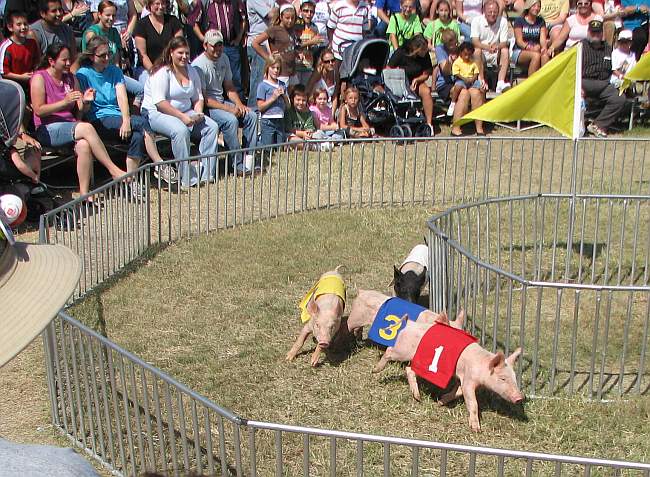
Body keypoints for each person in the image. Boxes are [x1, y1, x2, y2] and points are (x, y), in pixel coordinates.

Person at [76, 36, 177, 196]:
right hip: (98, 118)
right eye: (102, 55)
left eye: (109, 54)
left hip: (117, 116)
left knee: (137, 135)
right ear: (91, 56)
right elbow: (83, 107)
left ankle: (130, 181)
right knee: (142, 123)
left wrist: (126, 119)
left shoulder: (114, 71)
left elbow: (122, 96)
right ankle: (159, 163)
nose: (107, 58)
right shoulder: (83, 74)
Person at [30, 43, 129, 203]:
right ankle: (113, 169)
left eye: (70, 60)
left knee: (83, 145)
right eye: (64, 60)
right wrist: (64, 102)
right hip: (48, 129)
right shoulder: (40, 78)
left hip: (71, 126)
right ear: (51, 61)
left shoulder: (71, 78)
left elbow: (79, 111)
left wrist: (86, 101)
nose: (69, 64)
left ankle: (84, 193)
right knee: (86, 128)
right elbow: (39, 110)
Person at [141, 36, 219, 188]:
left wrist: (198, 113)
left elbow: (198, 97)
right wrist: (183, 117)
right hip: (158, 113)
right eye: (180, 53)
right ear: (171, 52)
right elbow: (160, 102)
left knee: (212, 127)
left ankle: (206, 174)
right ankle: (187, 178)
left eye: (187, 53)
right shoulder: (162, 72)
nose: (184, 57)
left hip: (186, 111)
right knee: (181, 131)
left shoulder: (192, 71)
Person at [191, 29, 258, 174]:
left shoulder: (225, 58)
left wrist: (240, 105)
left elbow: (229, 86)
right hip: (207, 107)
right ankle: (236, 164)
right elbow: (204, 99)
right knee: (230, 121)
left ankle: (249, 159)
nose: (218, 48)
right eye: (214, 45)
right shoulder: (198, 65)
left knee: (251, 116)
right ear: (205, 46)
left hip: (221, 101)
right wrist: (229, 109)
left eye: (220, 45)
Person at [81, 0, 143, 104]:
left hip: (112, 73)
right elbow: (90, 61)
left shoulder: (114, 32)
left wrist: (117, 77)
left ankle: (133, 112)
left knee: (140, 89)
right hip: (97, 75)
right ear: (99, 15)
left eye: (113, 16)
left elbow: (116, 60)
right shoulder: (92, 34)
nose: (111, 19)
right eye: (107, 15)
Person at [187, 0, 247, 96]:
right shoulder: (204, 2)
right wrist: (203, 39)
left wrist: (238, 38)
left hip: (230, 45)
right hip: (212, 47)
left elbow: (243, 19)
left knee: (235, 80)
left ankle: (239, 104)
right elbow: (193, 22)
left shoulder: (234, 2)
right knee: (214, 80)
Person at [581, 19, 627, 137]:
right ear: (588, 32)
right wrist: (577, 85)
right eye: (593, 32)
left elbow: (613, 68)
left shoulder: (608, 48)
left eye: (598, 32)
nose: (595, 35)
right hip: (584, 83)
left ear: (602, 33)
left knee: (619, 98)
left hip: (604, 84)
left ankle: (598, 125)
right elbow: (571, 69)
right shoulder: (580, 47)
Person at [387, 34, 435, 133]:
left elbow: (426, 73)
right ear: (416, 49)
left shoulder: (424, 56)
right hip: (399, 82)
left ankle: (429, 124)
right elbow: (388, 69)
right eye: (423, 49)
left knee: (426, 91)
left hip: (416, 81)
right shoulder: (401, 52)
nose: (426, 52)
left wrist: (417, 80)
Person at [133, 0, 183, 83]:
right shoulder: (141, 25)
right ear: (150, 5)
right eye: (157, 4)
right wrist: (156, 73)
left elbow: (180, 47)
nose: (160, 7)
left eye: (163, 3)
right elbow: (143, 55)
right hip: (148, 68)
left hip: (171, 66)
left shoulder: (173, 21)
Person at [252, 3, 299, 85]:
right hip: (281, 71)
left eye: (292, 18)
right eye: (287, 18)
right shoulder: (275, 30)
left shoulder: (292, 30)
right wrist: (268, 58)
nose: (290, 21)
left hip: (291, 70)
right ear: (281, 17)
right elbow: (255, 43)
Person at [470, 0, 511, 93]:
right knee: (477, 51)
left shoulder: (503, 21)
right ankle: (481, 80)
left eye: (495, 12)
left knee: (505, 50)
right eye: (490, 12)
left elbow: (504, 42)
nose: (492, 14)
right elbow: (475, 41)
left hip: (496, 52)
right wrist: (487, 47)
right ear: (484, 11)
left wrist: (497, 46)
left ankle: (500, 82)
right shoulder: (476, 21)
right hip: (482, 52)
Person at [0, 11, 40, 92]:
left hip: (29, 82)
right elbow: (4, 73)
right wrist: (21, 77)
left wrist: (34, 73)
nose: (23, 27)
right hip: (11, 86)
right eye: (19, 24)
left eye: (25, 24)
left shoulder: (32, 43)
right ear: (10, 27)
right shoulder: (7, 47)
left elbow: (36, 63)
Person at [246, 0, 276, 106]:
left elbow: (279, 13)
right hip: (257, 44)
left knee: (266, 80)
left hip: (269, 43)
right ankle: (253, 113)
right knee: (258, 81)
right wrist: (277, 12)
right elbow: (272, 15)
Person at [257, 56, 289, 147]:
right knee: (267, 148)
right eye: (273, 67)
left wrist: (284, 96)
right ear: (267, 68)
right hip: (268, 120)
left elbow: (288, 106)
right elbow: (260, 107)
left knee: (279, 148)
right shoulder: (263, 85)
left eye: (278, 68)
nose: (276, 70)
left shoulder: (282, 84)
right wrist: (273, 98)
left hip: (280, 119)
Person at [512, 0, 550, 77]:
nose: (536, 8)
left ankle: (544, 81)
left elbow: (542, 39)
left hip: (536, 49)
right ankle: (531, 82)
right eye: (534, 6)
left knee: (545, 56)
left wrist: (543, 48)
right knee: (536, 56)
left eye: (538, 6)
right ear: (528, 7)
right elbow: (519, 41)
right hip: (520, 51)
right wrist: (530, 48)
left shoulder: (541, 21)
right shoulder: (519, 21)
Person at [294, 0, 324, 84]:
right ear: (300, 11)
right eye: (306, 11)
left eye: (311, 12)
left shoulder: (314, 28)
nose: (308, 14)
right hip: (295, 66)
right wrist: (310, 42)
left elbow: (315, 48)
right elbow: (294, 45)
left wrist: (314, 45)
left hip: (308, 65)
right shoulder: (296, 25)